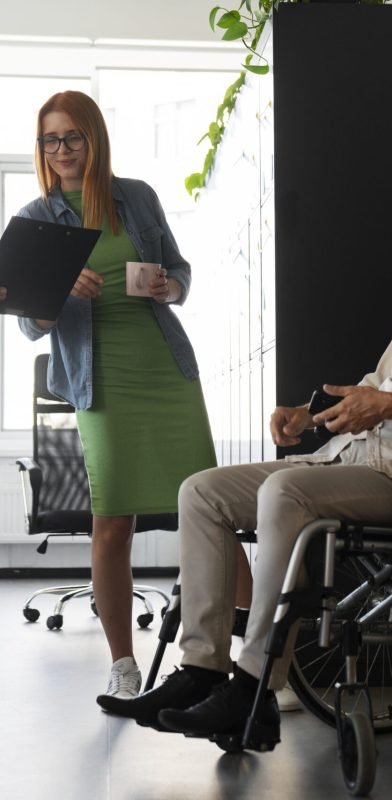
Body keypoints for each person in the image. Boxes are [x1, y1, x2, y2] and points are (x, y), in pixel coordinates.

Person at [97, 179, 392, 745]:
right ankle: (201, 670)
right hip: (351, 456)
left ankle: (254, 686)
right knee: (201, 492)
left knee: (283, 492)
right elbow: (377, 385)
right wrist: (310, 416)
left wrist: (389, 404)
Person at [16, 90, 252, 700]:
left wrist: (172, 285)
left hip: (165, 369)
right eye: (50, 139)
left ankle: (258, 661)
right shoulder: (35, 218)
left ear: (94, 139)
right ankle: (123, 665)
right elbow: (26, 322)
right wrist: (61, 290)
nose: (62, 150)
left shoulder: (137, 197)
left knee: (213, 514)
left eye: (73, 137)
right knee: (112, 522)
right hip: (101, 383)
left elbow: (180, 271)